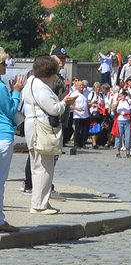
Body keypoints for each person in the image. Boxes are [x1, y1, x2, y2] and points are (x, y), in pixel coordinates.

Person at [23, 55, 78, 214]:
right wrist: (65, 102)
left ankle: (39, 201)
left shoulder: (30, 82)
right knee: (44, 167)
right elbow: (54, 109)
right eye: (54, 73)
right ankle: (40, 205)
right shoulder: (41, 87)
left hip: (32, 127)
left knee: (37, 166)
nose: (55, 76)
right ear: (48, 73)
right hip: (42, 128)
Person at [0, 51, 27, 231]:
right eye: (4, 63)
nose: (6, 66)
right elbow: (10, 111)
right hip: (2, 136)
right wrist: (16, 92)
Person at [68, 78, 91, 150]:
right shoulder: (74, 94)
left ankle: (83, 143)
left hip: (85, 114)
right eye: (80, 85)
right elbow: (70, 105)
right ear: (77, 86)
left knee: (85, 130)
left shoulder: (86, 93)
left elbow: (87, 103)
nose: (82, 87)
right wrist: (76, 108)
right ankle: (76, 144)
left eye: (82, 85)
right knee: (77, 130)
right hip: (77, 115)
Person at [113, 88, 131, 158]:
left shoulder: (127, 100)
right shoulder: (117, 100)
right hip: (119, 119)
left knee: (128, 136)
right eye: (121, 95)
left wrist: (129, 95)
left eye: (124, 95)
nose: (123, 96)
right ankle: (117, 152)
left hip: (127, 120)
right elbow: (113, 108)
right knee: (118, 136)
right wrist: (118, 101)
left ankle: (127, 152)